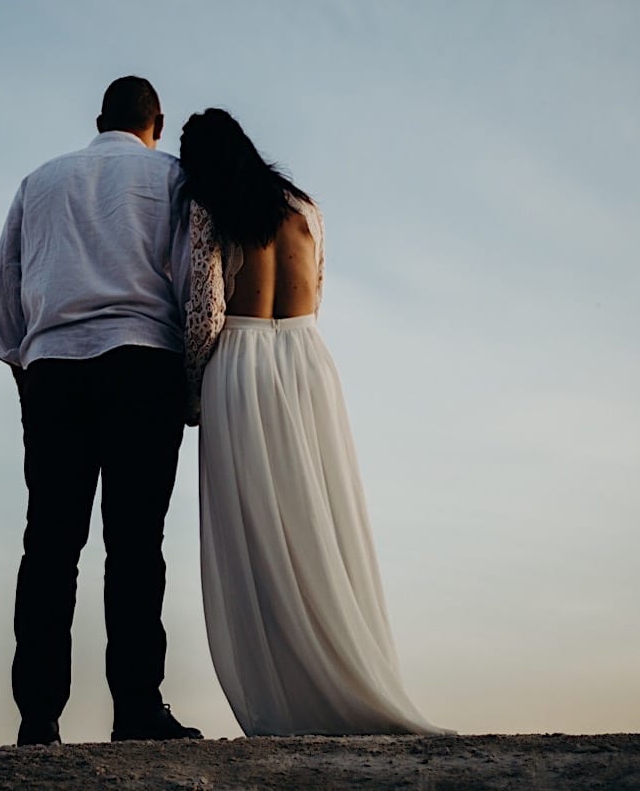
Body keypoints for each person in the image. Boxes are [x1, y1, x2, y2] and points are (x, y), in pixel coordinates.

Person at [180, 108, 447, 737]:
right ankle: (349, 666)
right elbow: (317, 292)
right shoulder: (306, 209)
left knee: (256, 535)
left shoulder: (207, 211)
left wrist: (191, 394)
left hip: (241, 364)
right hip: (308, 361)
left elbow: (204, 312)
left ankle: (287, 691)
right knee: (315, 519)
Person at [0, 76, 203, 746]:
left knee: (50, 543)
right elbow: (193, 280)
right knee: (135, 543)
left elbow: (3, 292)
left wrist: (31, 363)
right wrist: (190, 382)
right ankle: (137, 708)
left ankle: (38, 715)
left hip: (54, 368)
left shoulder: (40, 181)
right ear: (157, 122)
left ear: (98, 118)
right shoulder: (170, 178)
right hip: (144, 363)